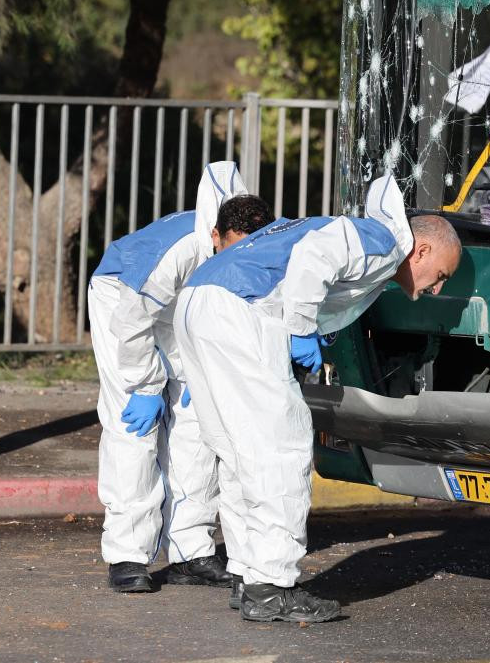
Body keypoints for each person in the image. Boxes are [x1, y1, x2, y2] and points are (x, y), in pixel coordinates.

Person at [174, 173, 461, 623]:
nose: (436, 288)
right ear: (420, 250)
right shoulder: (382, 240)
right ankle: (272, 586)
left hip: (199, 301)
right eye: (440, 275)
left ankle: (250, 577)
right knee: (280, 450)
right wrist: (302, 327)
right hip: (240, 309)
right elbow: (314, 257)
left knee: (237, 453)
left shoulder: (362, 234)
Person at [89, 161, 273, 593]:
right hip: (123, 300)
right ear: (214, 234)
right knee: (134, 429)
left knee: (197, 425)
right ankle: (127, 555)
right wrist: (146, 386)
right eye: (229, 249)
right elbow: (133, 321)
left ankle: (191, 549)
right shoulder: (179, 251)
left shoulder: (253, 242)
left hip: (179, 310)